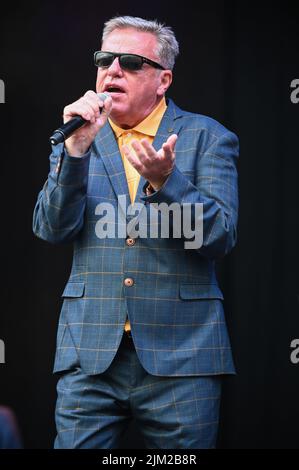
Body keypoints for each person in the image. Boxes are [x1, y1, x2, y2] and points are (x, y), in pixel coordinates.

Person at [32, 15, 239, 449]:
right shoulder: (78, 138)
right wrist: (74, 153)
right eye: (105, 59)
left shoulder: (208, 137)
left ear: (163, 80)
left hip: (182, 357)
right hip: (90, 356)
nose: (113, 70)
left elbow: (220, 237)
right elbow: (51, 229)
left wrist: (169, 183)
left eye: (130, 61)